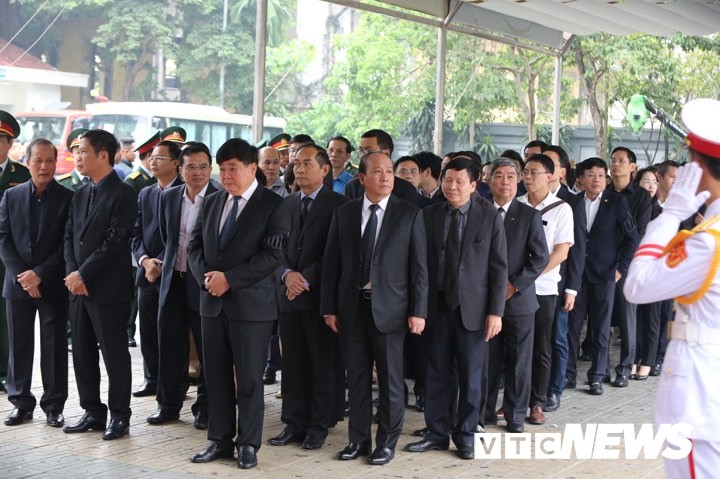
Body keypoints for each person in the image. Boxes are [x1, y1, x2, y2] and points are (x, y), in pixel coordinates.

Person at [624, 98, 720, 479]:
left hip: (700, 393)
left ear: (697, 167)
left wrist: (669, 216)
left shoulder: (707, 243)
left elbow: (637, 285)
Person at [187, 138, 290, 469]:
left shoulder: (273, 205)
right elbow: (194, 246)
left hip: (251, 306)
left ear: (251, 168)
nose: (226, 175)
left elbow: (273, 255)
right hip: (212, 303)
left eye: (233, 168)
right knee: (214, 376)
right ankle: (219, 439)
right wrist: (208, 278)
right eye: (223, 169)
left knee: (248, 379)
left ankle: (247, 444)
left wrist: (229, 279)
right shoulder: (214, 201)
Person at [322, 151, 428, 466]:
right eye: (378, 172)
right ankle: (357, 440)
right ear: (362, 178)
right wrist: (329, 307)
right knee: (355, 379)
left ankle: (386, 442)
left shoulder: (409, 214)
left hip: (391, 311)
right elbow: (332, 264)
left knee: (391, 381)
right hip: (351, 309)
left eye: (389, 172)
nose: (385, 177)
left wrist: (418, 311)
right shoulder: (345, 212)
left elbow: (419, 269)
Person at [405, 157, 507, 458]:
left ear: (474, 185)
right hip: (437, 307)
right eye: (447, 180)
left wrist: (495, 311)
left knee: (471, 376)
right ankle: (437, 432)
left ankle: (466, 434)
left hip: (473, 310)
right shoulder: (429, 215)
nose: (452, 186)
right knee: (436, 373)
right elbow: (419, 267)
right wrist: (419, 310)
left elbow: (499, 268)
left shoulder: (488, 217)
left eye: (459, 181)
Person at [268, 144, 348, 450]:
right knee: (293, 363)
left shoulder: (338, 205)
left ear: (324, 169)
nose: (299, 170)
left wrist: (305, 278)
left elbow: (336, 252)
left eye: (307, 164)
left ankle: (318, 424)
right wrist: (286, 274)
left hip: (319, 297)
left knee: (322, 362)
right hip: (287, 295)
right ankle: (293, 421)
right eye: (297, 165)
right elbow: (273, 247)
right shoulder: (285, 204)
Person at [62, 129, 137, 440]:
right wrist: (72, 274)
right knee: (81, 352)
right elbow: (69, 236)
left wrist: (84, 274)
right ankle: (92, 410)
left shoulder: (124, 193)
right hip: (78, 288)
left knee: (114, 354)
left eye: (83, 151)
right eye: (77, 151)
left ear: (103, 155)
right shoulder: (80, 193)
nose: (78, 156)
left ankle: (120, 415)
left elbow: (116, 241)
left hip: (108, 289)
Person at [0, 138, 73, 427]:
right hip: (17, 283)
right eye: (38, 161)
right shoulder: (12, 196)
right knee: (19, 344)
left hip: (51, 282)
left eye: (49, 161)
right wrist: (22, 274)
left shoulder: (68, 197)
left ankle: (54, 405)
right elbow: (3, 237)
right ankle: (21, 402)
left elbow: (66, 244)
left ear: (56, 163)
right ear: (27, 162)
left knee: (54, 345)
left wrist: (39, 273)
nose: (44, 166)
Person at [148, 142, 218, 430]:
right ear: (180, 168)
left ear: (210, 169)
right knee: (170, 346)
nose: (197, 172)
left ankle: (205, 407)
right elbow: (168, 239)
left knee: (207, 350)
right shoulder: (171, 196)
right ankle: (168, 404)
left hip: (201, 283)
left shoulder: (219, 198)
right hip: (171, 281)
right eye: (191, 166)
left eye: (203, 167)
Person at [484, 157, 548, 433]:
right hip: (483, 301)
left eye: (511, 176)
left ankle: (514, 415)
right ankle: (484, 412)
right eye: (499, 176)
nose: (505, 182)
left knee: (519, 362)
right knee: (487, 360)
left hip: (518, 302)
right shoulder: (479, 211)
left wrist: (513, 285)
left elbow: (540, 258)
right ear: (489, 180)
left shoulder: (529, 215)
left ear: (519, 180)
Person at [566, 157, 638, 396]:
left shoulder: (617, 202)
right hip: (576, 275)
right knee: (572, 327)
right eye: (590, 175)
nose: (596, 179)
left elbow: (631, 237)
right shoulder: (572, 203)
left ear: (606, 179)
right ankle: (568, 374)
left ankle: (597, 376)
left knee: (601, 327)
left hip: (606, 274)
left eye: (600, 175)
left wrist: (620, 269)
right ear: (581, 179)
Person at [517, 153, 574, 424]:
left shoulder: (562, 208)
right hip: (514, 289)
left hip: (543, 289)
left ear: (550, 175)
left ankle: (537, 402)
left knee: (541, 347)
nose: (527, 177)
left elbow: (561, 252)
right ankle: (514, 402)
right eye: (525, 172)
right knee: (516, 348)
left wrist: (527, 277)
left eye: (534, 172)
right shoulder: (515, 206)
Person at [131, 141, 184, 398]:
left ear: (175, 163)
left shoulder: (186, 192)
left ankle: (173, 384)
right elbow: (136, 232)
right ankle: (151, 378)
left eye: (160, 158)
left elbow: (182, 236)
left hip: (173, 273)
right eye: (151, 157)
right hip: (147, 272)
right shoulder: (146, 193)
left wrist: (160, 263)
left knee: (172, 332)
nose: (153, 162)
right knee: (148, 329)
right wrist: (144, 261)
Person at [609, 146, 652, 386]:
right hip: (601, 264)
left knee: (627, 319)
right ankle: (600, 369)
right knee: (601, 321)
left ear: (632, 166)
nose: (616, 164)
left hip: (628, 265)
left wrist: (622, 266)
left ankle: (625, 367)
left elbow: (640, 233)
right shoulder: (604, 192)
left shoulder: (642, 197)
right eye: (613, 160)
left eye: (621, 161)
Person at [0, 110, 32, 394]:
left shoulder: (22, 175)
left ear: (10, 144)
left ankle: (2, 372)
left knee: (6, 318)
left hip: (10, 259)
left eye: (1, 139)